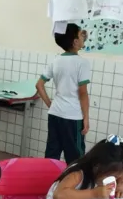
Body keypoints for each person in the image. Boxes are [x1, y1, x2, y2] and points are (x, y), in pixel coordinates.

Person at [35, 22, 91, 165]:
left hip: (55, 114)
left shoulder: (56, 60)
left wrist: (50, 104)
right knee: (75, 158)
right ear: (75, 41)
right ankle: (74, 185)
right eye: (80, 34)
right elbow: (83, 93)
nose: (84, 36)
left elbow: (39, 85)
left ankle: (48, 184)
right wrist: (86, 117)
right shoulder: (81, 63)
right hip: (72, 117)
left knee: (52, 154)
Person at [43, 135, 123, 199]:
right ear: (97, 166)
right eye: (111, 176)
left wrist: (120, 188)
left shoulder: (113, 172)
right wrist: (94, 194)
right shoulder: (78, 173)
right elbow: (59, 194)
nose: (114, 180)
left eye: (117, 177)